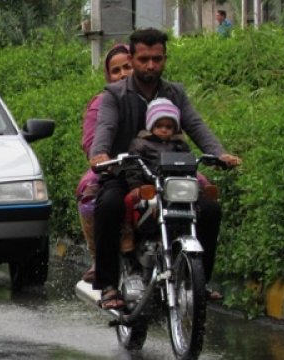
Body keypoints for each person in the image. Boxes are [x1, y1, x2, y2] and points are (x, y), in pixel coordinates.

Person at [88, 28, 242, 310]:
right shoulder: (114, 94)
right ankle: (108, 285)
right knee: (108, 205)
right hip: (127, 174)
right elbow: (106, 127)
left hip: (171, 173)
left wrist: (220, 154)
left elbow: (196, 125)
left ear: (165, 59)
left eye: (157, 59)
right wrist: (100, 154)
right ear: (132, 59)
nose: (151, 65)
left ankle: (199, 282)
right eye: (144, 59)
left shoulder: (175, 93)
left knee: (209, 210)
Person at [77, 43, 133, 283]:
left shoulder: (155, 95)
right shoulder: (101, 103)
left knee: (201, 187)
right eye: (116, 70)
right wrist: (101, 158)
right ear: (108, 76)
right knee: (89, 193)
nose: (123, 74)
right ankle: (99, 258)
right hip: (114, 168)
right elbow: (92, 141)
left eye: (128, 67)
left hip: (152, 165)